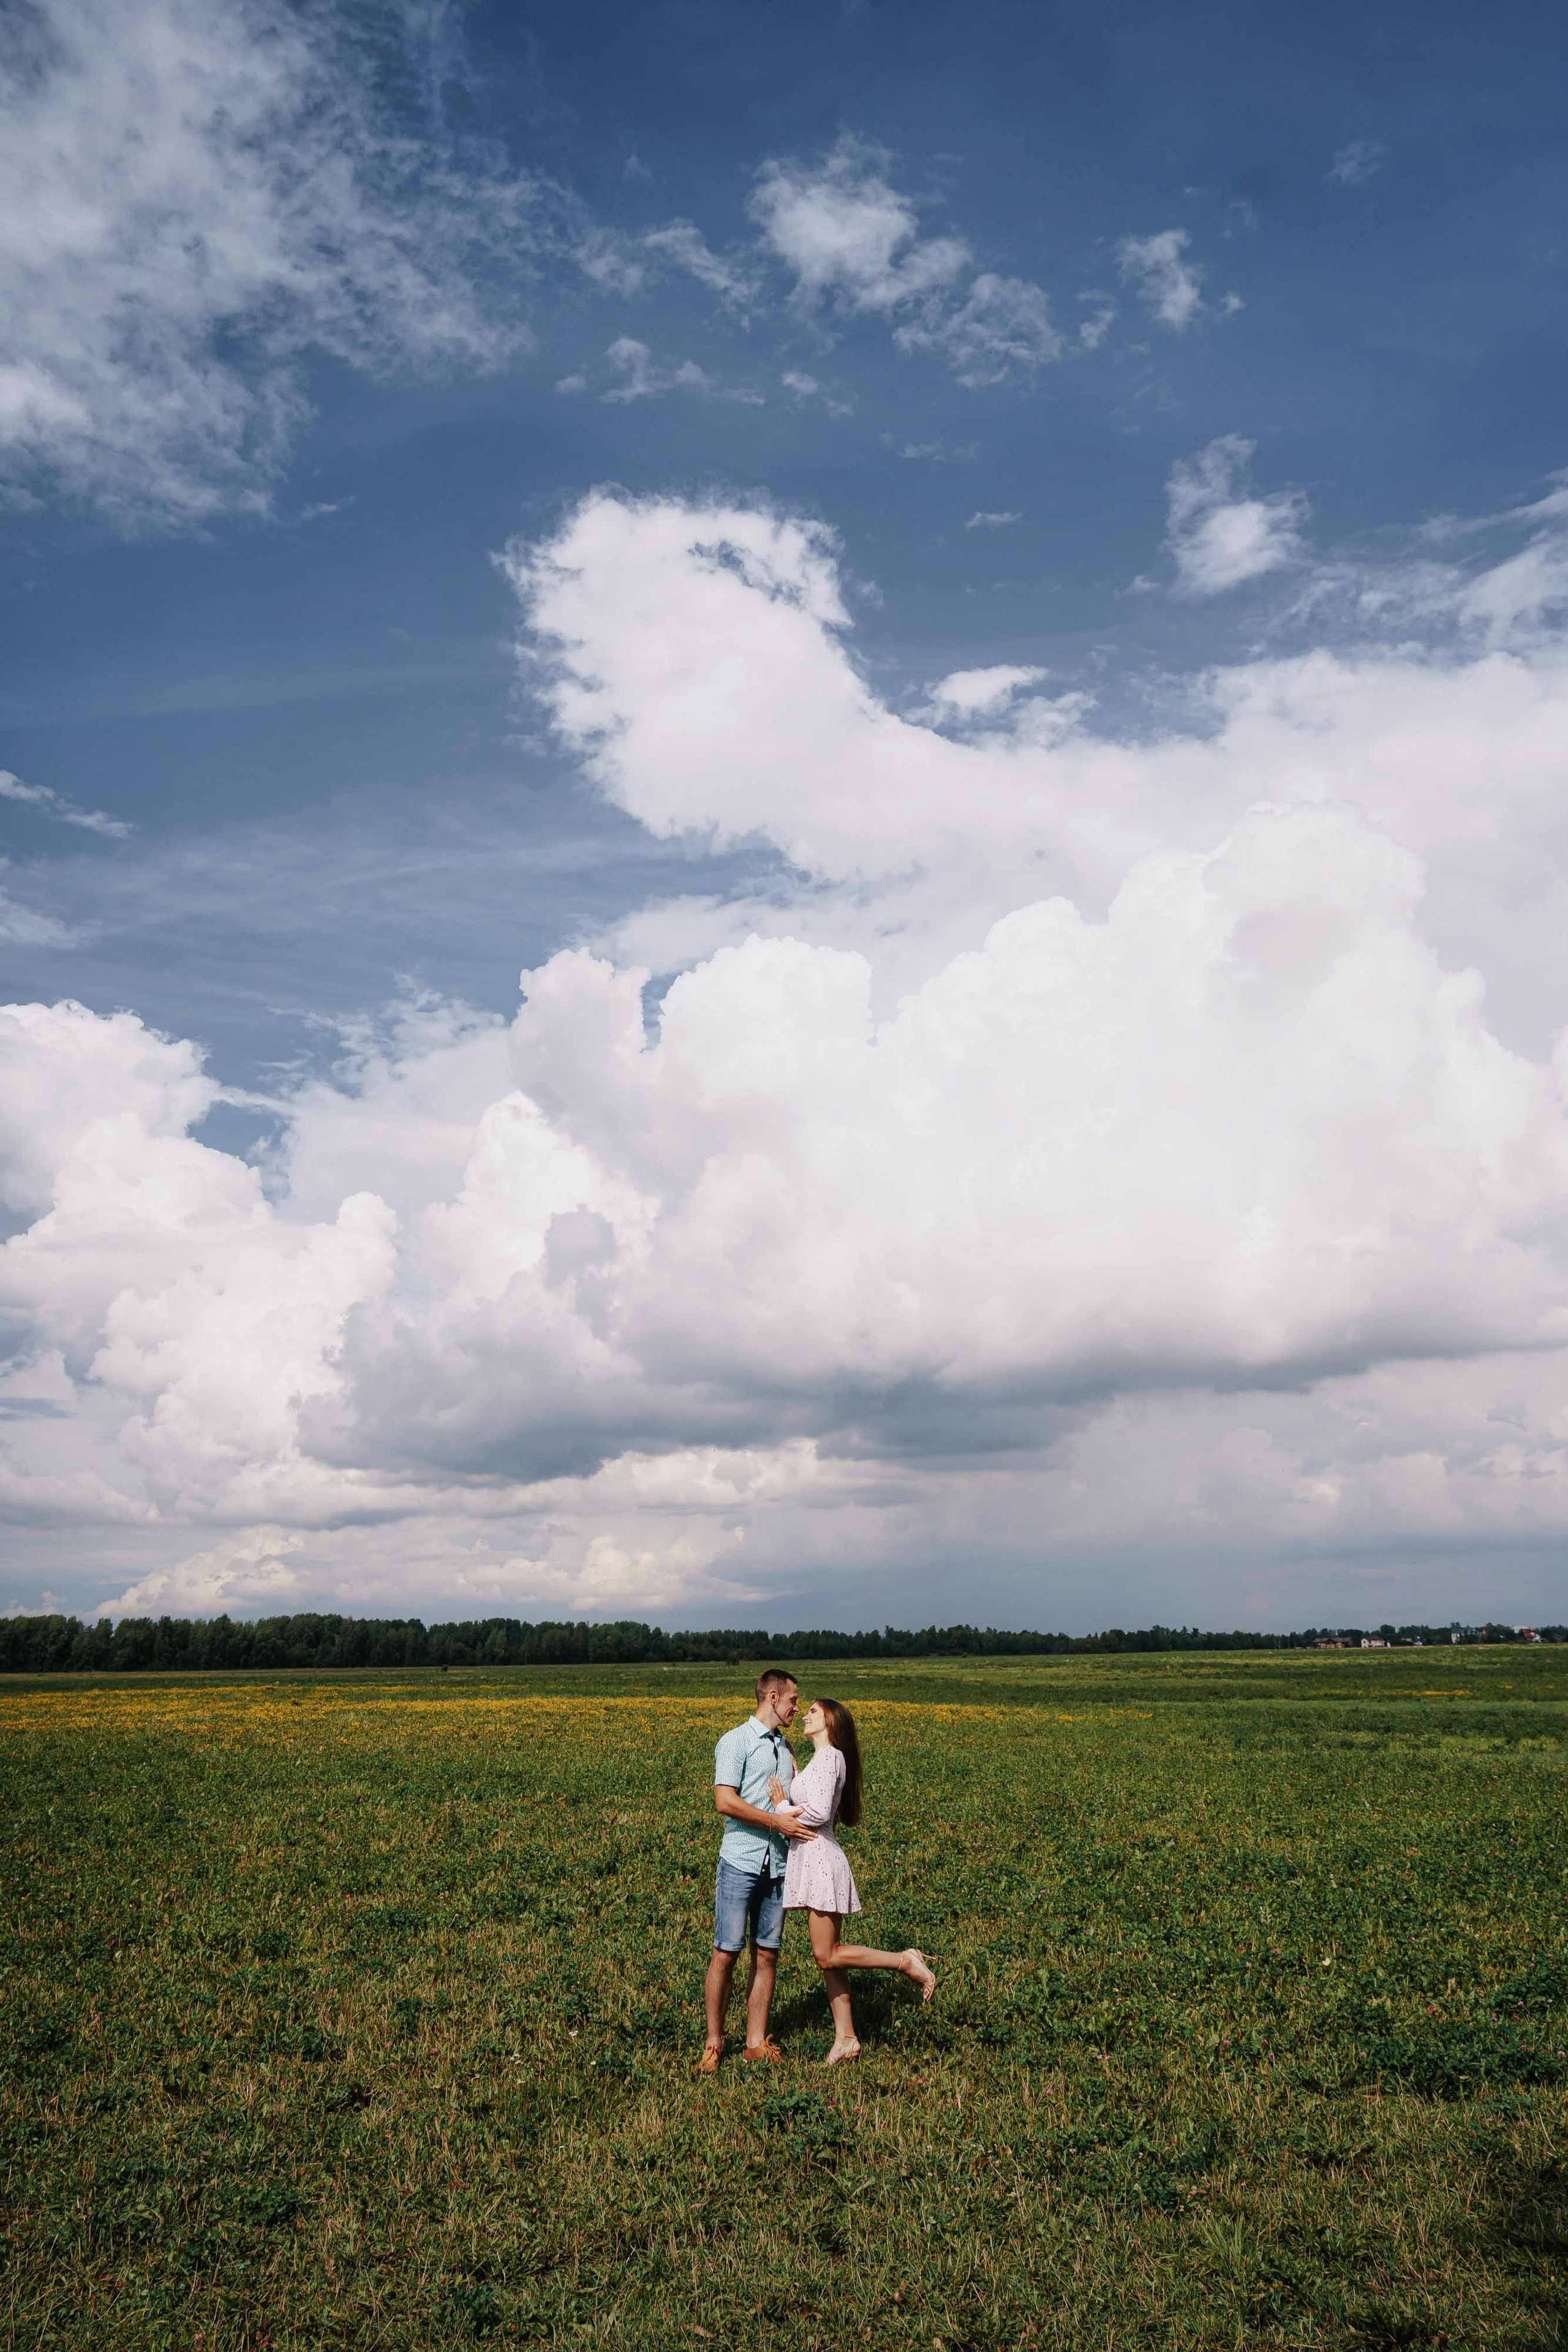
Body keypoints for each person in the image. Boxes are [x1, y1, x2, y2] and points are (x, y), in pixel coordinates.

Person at [771, 1697, 936, 2065]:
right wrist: (794, 1772)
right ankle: (846, 2038)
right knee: (832, 1959)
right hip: (813, 1861)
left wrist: (782, 1807)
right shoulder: (820, 1761)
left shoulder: (832, 1758)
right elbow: (811, 1797)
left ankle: (904, 1962)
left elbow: (818, 1813)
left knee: (826, 1954)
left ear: (832, 1721)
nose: (806, 1714)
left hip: (821, 1861)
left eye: (814, 1710)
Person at [699, 1669, 817, 2073]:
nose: (796, 1708)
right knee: (726, 1953)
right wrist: (774, 1823)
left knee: (767, 1955)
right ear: (772, 1696)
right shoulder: (735, 1741)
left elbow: (799, 1797)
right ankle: (714, 2044)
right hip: (740, 1862)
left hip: (778, 1866)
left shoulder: (785, 1750)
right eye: (793, 1701)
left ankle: (755, 2042)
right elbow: (725, 1802)